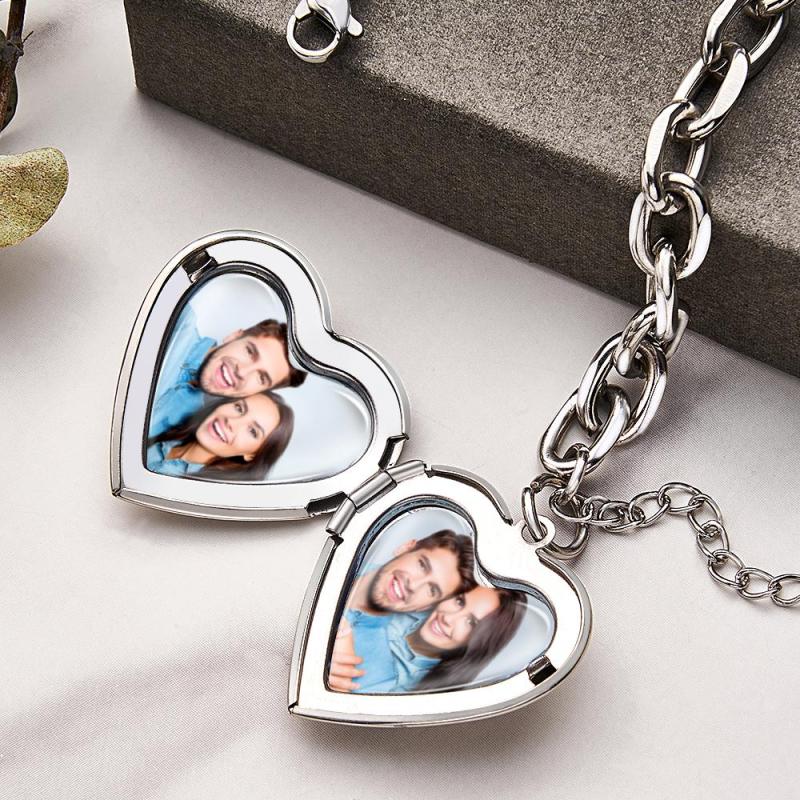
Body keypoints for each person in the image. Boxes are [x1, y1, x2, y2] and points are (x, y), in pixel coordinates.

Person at [326, 530, 476, 693]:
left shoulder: (379, 675)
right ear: (406, 548)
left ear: (425, 607)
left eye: (432, 590)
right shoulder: (335, 555)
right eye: (422, 565)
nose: (413, 585)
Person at [329, 585, 525, 694]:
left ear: (478, 645)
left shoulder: (404, 687)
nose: (449, 618)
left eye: (471, 622)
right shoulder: (408, 599)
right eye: (459, 601)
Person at [149, 304, 306, 439]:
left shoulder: (193, 428)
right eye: (249, 351)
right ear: (234, 336)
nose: (242, 372)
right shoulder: (174, 318)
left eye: (261, 378)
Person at [146, 391, 293, 480]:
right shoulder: (166, 421)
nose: (231, 422)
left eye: (252, 431)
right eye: (239, 408)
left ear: (252, 455)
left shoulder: (203, 496)